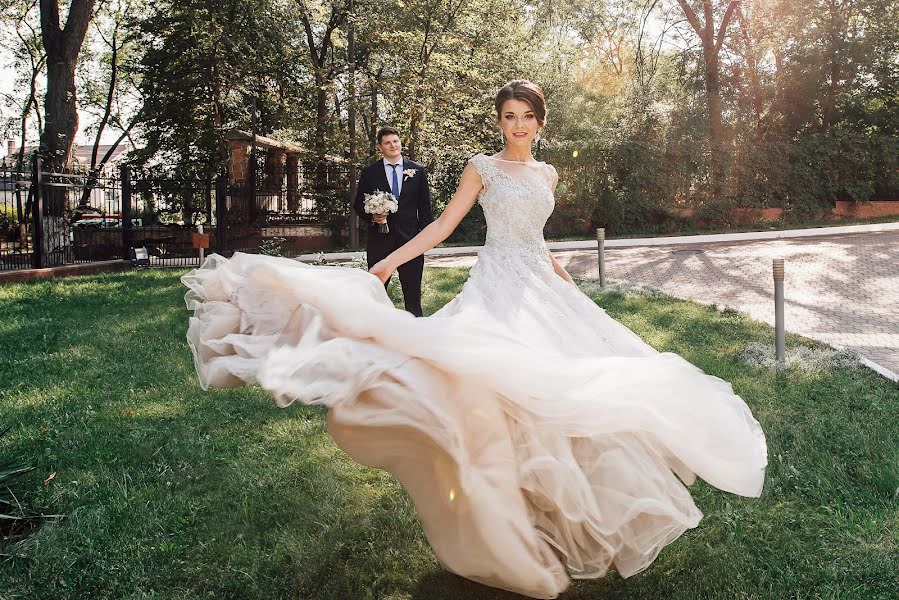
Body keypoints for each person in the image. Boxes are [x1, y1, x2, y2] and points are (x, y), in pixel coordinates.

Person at [182, 79, 767, 599]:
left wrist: (564, 280)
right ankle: (502, 510)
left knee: (566, 385)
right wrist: (386, 264)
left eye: (527, 117)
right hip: (496, 287)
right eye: (509, 116)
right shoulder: (481, 168)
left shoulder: (547, 173)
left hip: (540, 284)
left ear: (541, 122)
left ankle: (548, 508)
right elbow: (442, 225)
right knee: (491, 383)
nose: (518, 125)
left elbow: (536, 238)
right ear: (499, 121)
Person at [353, 126, 433, 316]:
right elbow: (358, 204)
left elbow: (425, 208)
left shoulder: (417, 171)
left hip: (410, 241)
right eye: (387, 143)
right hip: (380, 240)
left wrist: (425, 238)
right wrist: (373, 216)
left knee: (412, 294)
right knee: (376, 291)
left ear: (400, 143)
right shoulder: (370, 172)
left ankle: (415, 332)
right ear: (380, 147)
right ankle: (376, 331)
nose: (393, 145)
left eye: (395, 141)